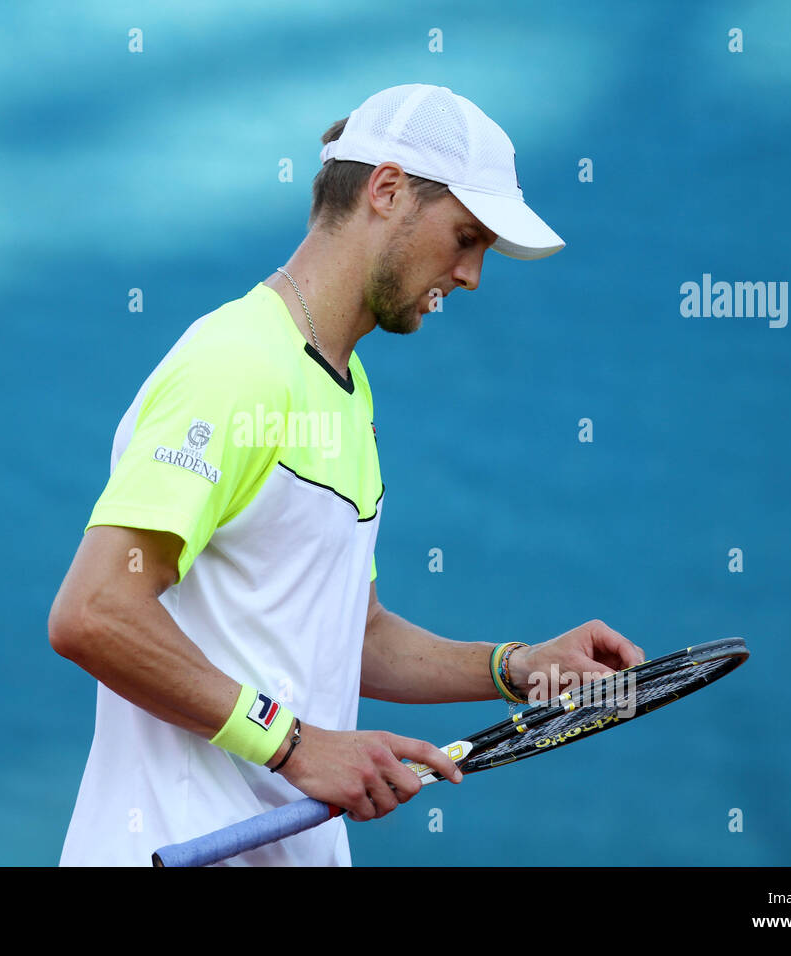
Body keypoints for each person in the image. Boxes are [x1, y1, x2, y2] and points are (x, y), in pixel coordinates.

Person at [48, 83, 644, 866]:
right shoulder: (235, 366)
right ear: (387, 190)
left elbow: (346, 636)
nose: (471, 275)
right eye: (466, 237)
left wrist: (512, 666)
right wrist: (294, 746)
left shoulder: (344, 391)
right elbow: (94, 611)